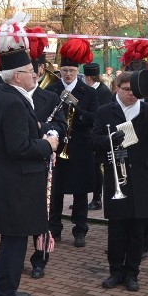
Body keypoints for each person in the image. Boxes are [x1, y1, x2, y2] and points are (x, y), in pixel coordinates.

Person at [0, 13, 59, 296]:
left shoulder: (7, 96)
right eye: (29, 71)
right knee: (14, 243)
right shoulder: (13, 101)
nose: (34, 75)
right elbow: (19, 147)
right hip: (15, 182)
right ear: (16, 76)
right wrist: (48, 144)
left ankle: (2, 288)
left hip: (11, 180)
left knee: (11, 243)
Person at [91, 71, 148, 292]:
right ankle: (115, 271)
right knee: (117, 228)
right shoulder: (105, 111)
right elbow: (94, 140)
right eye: (127, 90)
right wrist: (109, 140)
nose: (132, 94)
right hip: (117, 175)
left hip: (143, 176)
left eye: (135, 91)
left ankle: (132, 273)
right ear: (117, 88)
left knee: (138, 229)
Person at [45, 38, 100, 248]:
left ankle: (80, 230)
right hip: (57, 146)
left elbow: (94, 118)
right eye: (65, 70)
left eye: (72, 70)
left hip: (80, 147)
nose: (68, 74)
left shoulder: (90, 92)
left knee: (80, 192)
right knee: (56, 190)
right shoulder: (52, 89)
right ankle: (54, 228)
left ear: (78, 72)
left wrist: (75, 110)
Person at [26, 36, 68, 280]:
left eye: (32, 70)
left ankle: (39, 259)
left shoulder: (51, 98)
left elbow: (61, 127)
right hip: (20, 164)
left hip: (43, 165)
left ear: (40, 70)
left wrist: (43, 128)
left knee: (44, 213)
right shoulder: (10, 95)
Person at [83, 62, 111, 211]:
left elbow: (102, 113)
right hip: (89, 133)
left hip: (99, 134)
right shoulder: (89, 90)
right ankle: (87, 198)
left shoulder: (103, 91)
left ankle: (97, 198)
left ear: (88, 77)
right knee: (90, 167)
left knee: (96, 167)